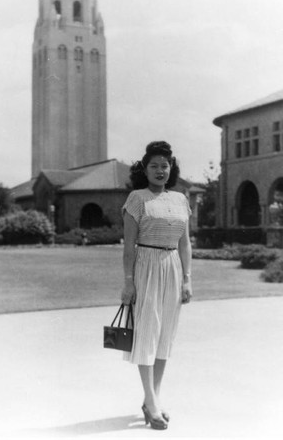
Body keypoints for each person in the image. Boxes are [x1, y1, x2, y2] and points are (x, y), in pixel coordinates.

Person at [121, 141, 192, 430]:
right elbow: (129, 247)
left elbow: (185, 243)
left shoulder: (180, 199)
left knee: (165, 335)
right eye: (154, 166)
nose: (160, 170)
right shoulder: (137, 198)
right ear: (145, 169)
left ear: (171, 169)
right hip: (146, 267)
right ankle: (151, 402)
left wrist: (188, 279)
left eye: (165, 165)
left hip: (173, 267)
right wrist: (128, 282)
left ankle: (154, 398)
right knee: (147, 333)